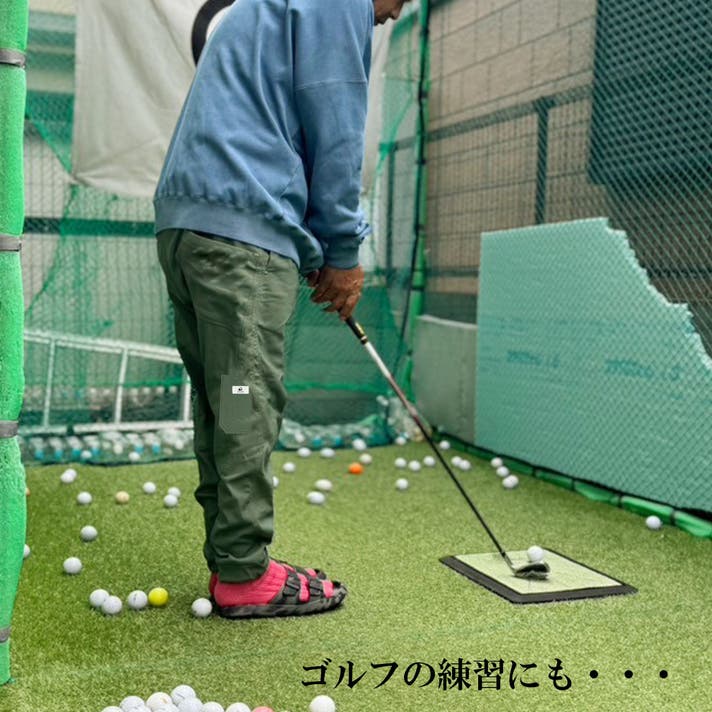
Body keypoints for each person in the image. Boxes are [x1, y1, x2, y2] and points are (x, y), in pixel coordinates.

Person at [154, 0, 412, 618]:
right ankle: (244, 572)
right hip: (240, 237)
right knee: (243, 400)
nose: (392, 16)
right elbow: (336, 131)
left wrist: (311, 247)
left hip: (191, 227)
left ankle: (233, 559)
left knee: (225, 400)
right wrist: (342, 252)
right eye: (401, 2)